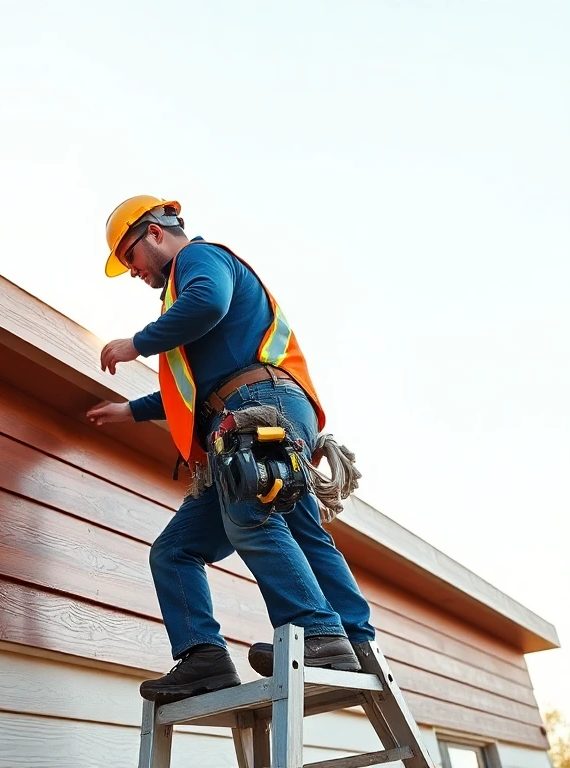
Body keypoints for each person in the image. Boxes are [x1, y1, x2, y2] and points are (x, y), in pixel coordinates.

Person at [87, 196, 375, 703]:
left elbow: (208, 303)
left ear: (155, 233)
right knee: (178, 551)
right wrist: (129, 410)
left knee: (251, 515)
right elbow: (190, 392)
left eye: (129, 257)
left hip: (259, 405)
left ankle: (319, 635)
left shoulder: (198, 261)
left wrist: (136, 343)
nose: (131, 272)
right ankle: (209, 659)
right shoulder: (187, 311)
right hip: (251, 406)